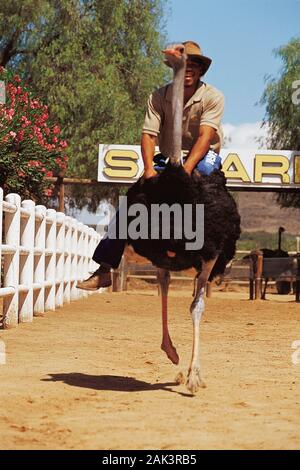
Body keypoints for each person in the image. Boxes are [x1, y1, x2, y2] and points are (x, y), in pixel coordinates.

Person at [77, 40, 224, 291]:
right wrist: (148, 170)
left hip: (202, 155)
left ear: (201, 70)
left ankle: (216, 253)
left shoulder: (212, 97)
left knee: (213, 191)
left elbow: (205, 136)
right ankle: (105, 267)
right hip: (169, 156)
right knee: (134, 199)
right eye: (183, 64)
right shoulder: (158, 96)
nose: (188, 68)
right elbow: (148, 134)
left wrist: (186, 171)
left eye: (193, 64)